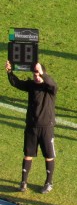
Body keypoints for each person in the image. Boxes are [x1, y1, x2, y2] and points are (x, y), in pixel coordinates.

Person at [5, 60, 57, 194]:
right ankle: (23, 182)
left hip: (46, 127)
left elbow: (52, 84)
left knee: (49, 155)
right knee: (28, 154)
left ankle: (48, 183)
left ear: (43, 74)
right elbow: (16, 83)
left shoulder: (49, 88)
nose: (36, 77)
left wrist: (42, 74)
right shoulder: (31, 85)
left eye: (38, 74)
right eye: (34, 74)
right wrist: (9, 72)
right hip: (31, 126)